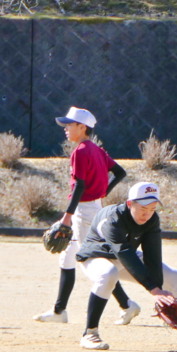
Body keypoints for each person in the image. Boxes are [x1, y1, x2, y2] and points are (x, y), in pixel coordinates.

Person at [75, 181, 177, 351]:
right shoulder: (113, 219)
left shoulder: (152, 220)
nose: (147, 214)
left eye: (152, 209)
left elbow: (152, 256)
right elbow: (123, 252)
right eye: (143, 209)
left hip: (125, 259)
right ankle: (89, 333)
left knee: (176, 277)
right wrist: (153, 289)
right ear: (130, 203)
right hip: (95, 258)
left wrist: (160, 290)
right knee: (108, 274)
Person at [34, 107, 137, 325]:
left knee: (91, 261)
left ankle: (127, 304)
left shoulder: (80, 151)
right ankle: (59, 311)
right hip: (93, 207)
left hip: (84, 212)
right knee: (67, 257)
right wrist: (102, 192)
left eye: (70, 125)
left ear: (82, 127)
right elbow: (120, 173)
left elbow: (79, 185)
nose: (66, 129)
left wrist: (67, 217)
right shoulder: (97, 151)